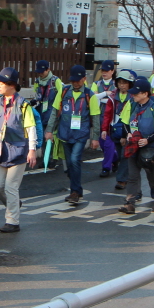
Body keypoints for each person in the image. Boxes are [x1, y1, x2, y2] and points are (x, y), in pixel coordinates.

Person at [0, 68, 38, 233]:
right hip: (0, 150)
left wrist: (32, 150)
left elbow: (31, 129)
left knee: (10, 186)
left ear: (12, 85)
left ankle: (12, 221)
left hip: (18, 151)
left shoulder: (23, 105)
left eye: (2, 82)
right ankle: (14, 203)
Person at [48, 65, 100, 205]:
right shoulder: (64, 92)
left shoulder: (90, 95)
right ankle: (77, 188)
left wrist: (95, 138)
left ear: (84, 79)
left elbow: (95, 118)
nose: (76, 83)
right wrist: (49, 130)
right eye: (73, 80)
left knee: (75, 159)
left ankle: (75, 191)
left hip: (80, 134)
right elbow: (54, 112)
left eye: (78, 80)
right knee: (70, 163)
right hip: (65, 133)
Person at [116, 77, 154, 214]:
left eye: (136, 93)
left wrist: (147, 140)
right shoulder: (131, 104)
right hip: (134, 146)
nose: (132, 95)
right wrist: (128, 134)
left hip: (151, 148)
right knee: (132, 176)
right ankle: (130, 203)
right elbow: (125, 123)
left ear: (145, 94)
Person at [103, 69, 136, 191]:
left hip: (127, 130)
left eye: (125, 82)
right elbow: (107, 114)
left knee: (125, 155)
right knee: (119, 153)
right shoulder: (113, 97)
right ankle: (123, 173)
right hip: (114, 129)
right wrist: (104, 129)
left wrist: (126, 134)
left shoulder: (133, 97)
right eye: (120, 82)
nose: (122, 85)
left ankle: (122, 180)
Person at [33, 60, 65, 169]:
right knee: (42, 136)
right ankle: (45, 159)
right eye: (39, 72)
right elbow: (37, 95)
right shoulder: (37, 81)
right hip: (41, 113)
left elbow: (62, 96)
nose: (40, 74)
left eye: (42, 71)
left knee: (51, 136)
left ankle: (53, 159)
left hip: (53, 113)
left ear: (48, 69)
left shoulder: (55, 81)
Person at [90, 59, 118, 176]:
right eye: (103, 70)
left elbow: (116, 99)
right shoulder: (96, 84)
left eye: (107, 71)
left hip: (112, 117)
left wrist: (100, 98)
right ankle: (115, 158)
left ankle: (106, 167)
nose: (104, 73)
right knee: (102, 143)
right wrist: (106, 94)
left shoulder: (116, 84)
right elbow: (93, 98)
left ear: (112, 71)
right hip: (99, 116)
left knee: (108, 143)